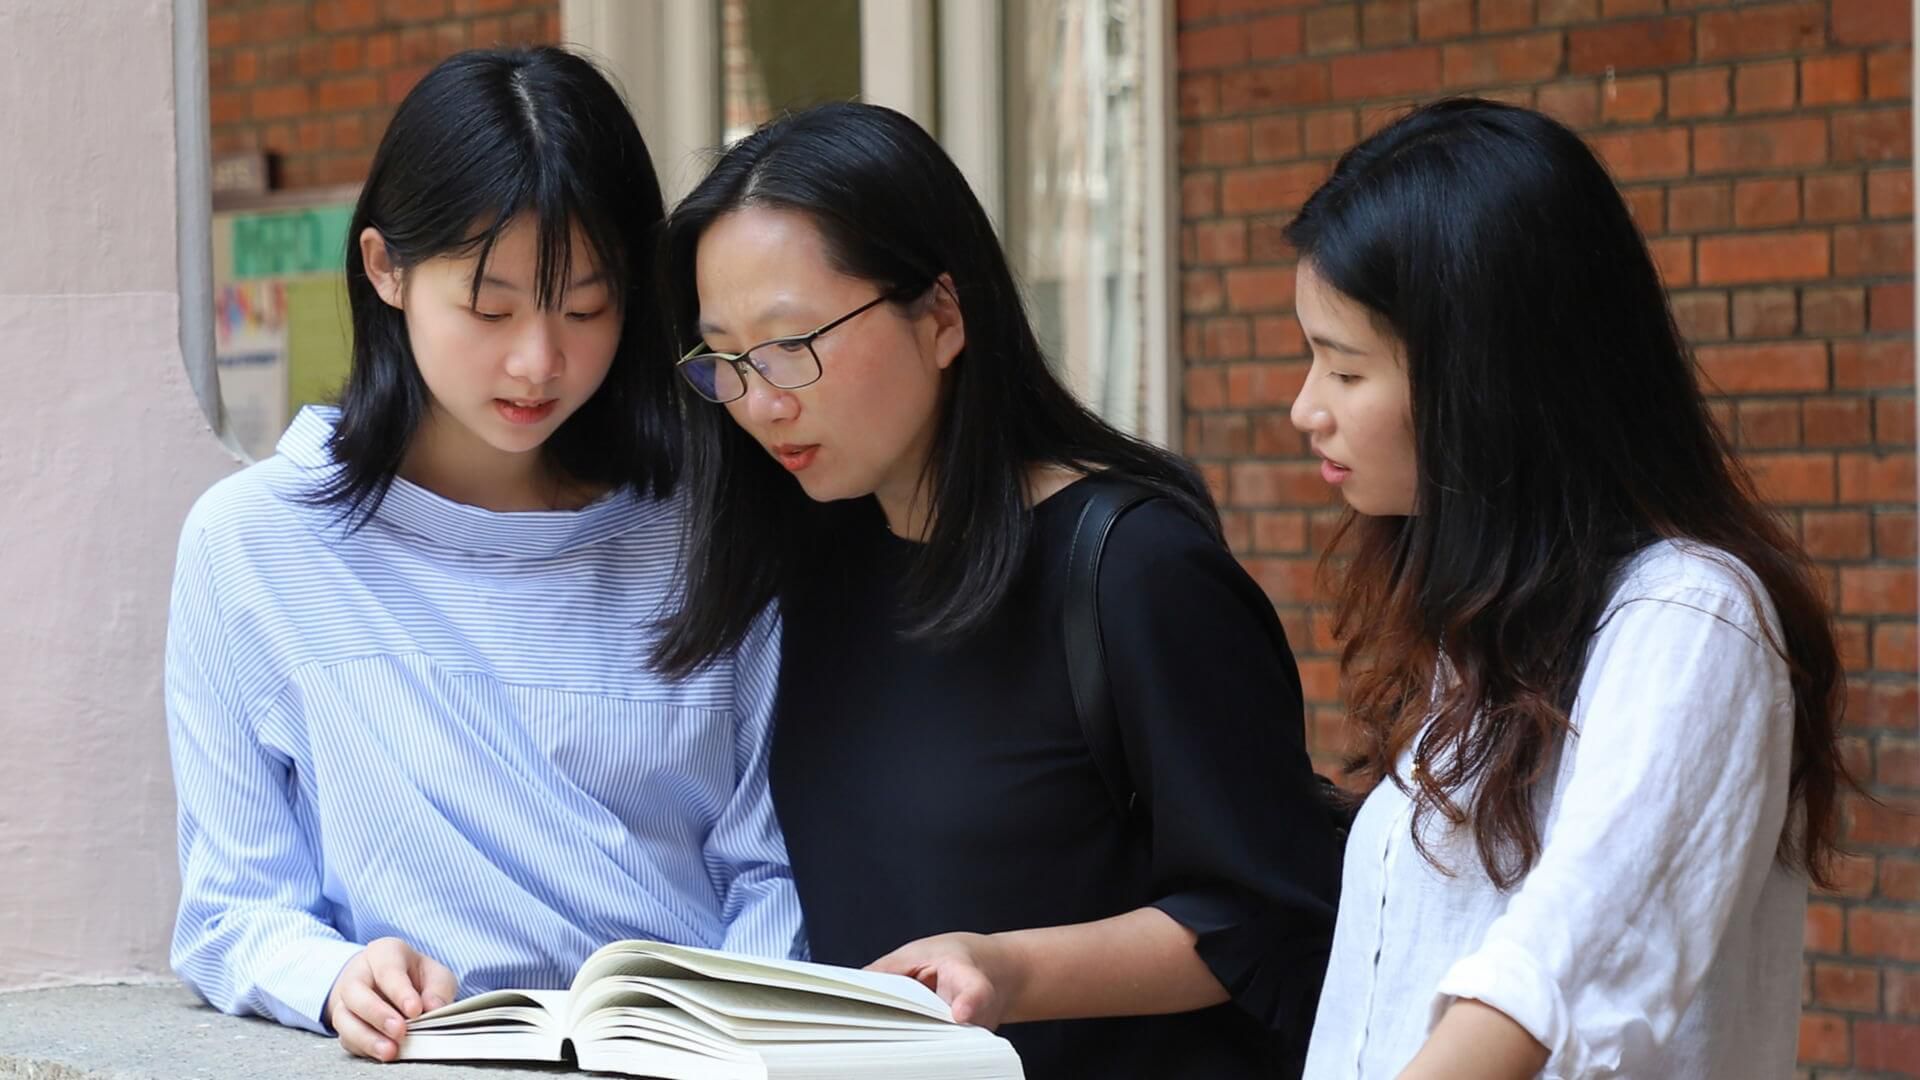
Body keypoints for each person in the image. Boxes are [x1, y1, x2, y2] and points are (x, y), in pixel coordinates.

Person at [653, 101, 1343, 1078]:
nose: (762, 402)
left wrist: (1011, 971)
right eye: (725, 360)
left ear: (942, 315)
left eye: (792, 344)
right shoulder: (801, 569)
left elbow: (1267, 916)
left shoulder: (1132, 569)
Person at [164, 47, 800, 1063]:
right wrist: (333, 977)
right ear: (386, 269)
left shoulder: (709, 527)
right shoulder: (252, 546)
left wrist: (733, 1038)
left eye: (586, 308)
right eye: (490, 307)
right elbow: (232, 910)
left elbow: (771, 871)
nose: (538, 361)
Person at [1288, 98, 1851, 1079]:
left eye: (1343, 369)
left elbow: (1545, 981)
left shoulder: (1691, 621)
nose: (1306, 409)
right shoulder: (1492, 634)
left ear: (1483, 381)